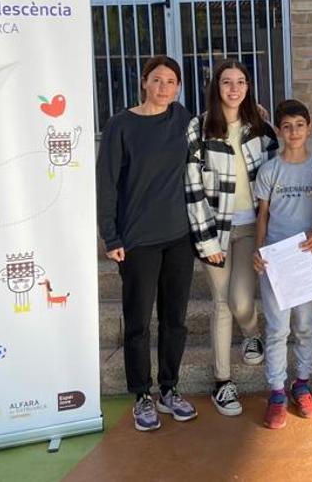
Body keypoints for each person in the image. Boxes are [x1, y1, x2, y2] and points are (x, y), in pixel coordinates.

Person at [96, 55, 199, 431]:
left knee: (175, 320)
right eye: (157, 80)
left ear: (178, 88)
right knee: (138, 322)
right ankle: (141, 393)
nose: (163, 88)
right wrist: (111, 234)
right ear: (144, 82)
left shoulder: (183, 119)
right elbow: (106, 182)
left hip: (179, 238)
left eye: (171, 82)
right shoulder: (120, 125)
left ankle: (169, 389)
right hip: (137, 241)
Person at [186, 59, 278, 417]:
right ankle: (222, 382)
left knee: (241, 302)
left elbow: (278, 169)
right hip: (216, 230)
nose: (234, 88)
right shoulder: (200, 127)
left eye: (241, 82)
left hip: (251, 228)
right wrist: (206, 241)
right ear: (216, 87)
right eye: (227, 82)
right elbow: (192, 186)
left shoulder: (260, 127)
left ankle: (252, 331)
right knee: (221, 303)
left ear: (248, 87)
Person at [252, 99, 312, 430]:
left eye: (300, 125)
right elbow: (263, 215)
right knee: (277, 328)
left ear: (309, 127)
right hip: (275, 260)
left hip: (305, 259)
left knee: (304, 325)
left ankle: (302, 384)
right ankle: (276, 392)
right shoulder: (270, 170)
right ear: (279, 131)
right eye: (287, 126)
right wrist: (258, 250)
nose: (294, 131)